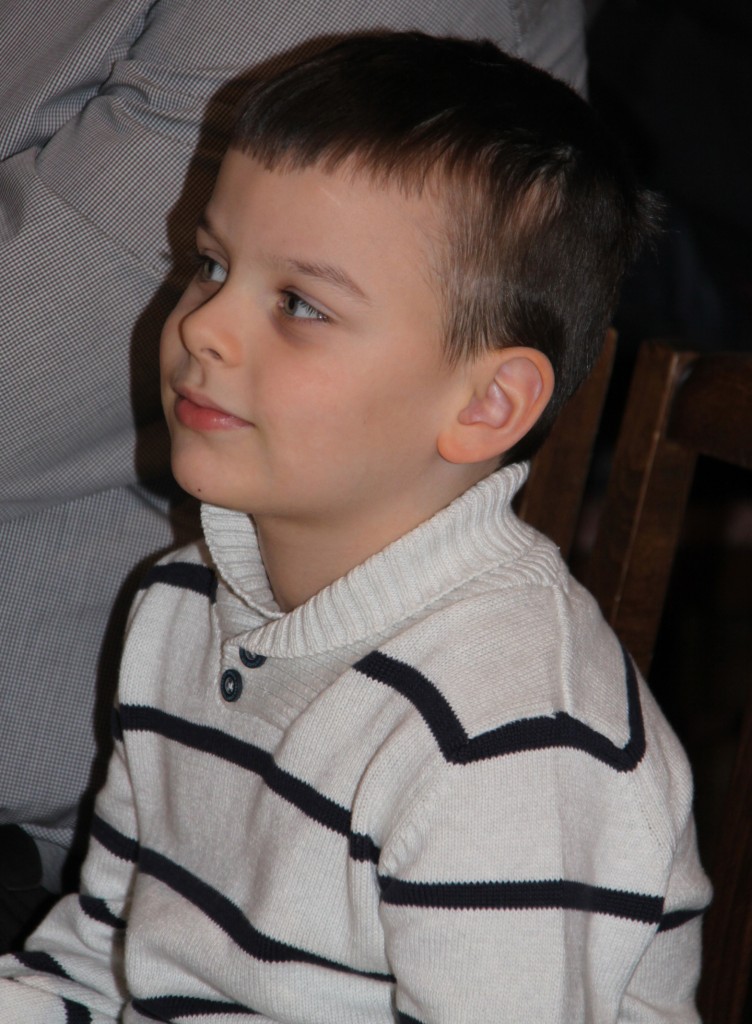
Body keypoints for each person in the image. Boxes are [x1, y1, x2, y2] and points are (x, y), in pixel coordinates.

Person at [0, 33, 711, 1022]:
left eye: (299, 303)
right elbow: (105, 961)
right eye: (210, 264)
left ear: (486, 405)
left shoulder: (508, 729)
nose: (201, 324)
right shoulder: (180, 602)